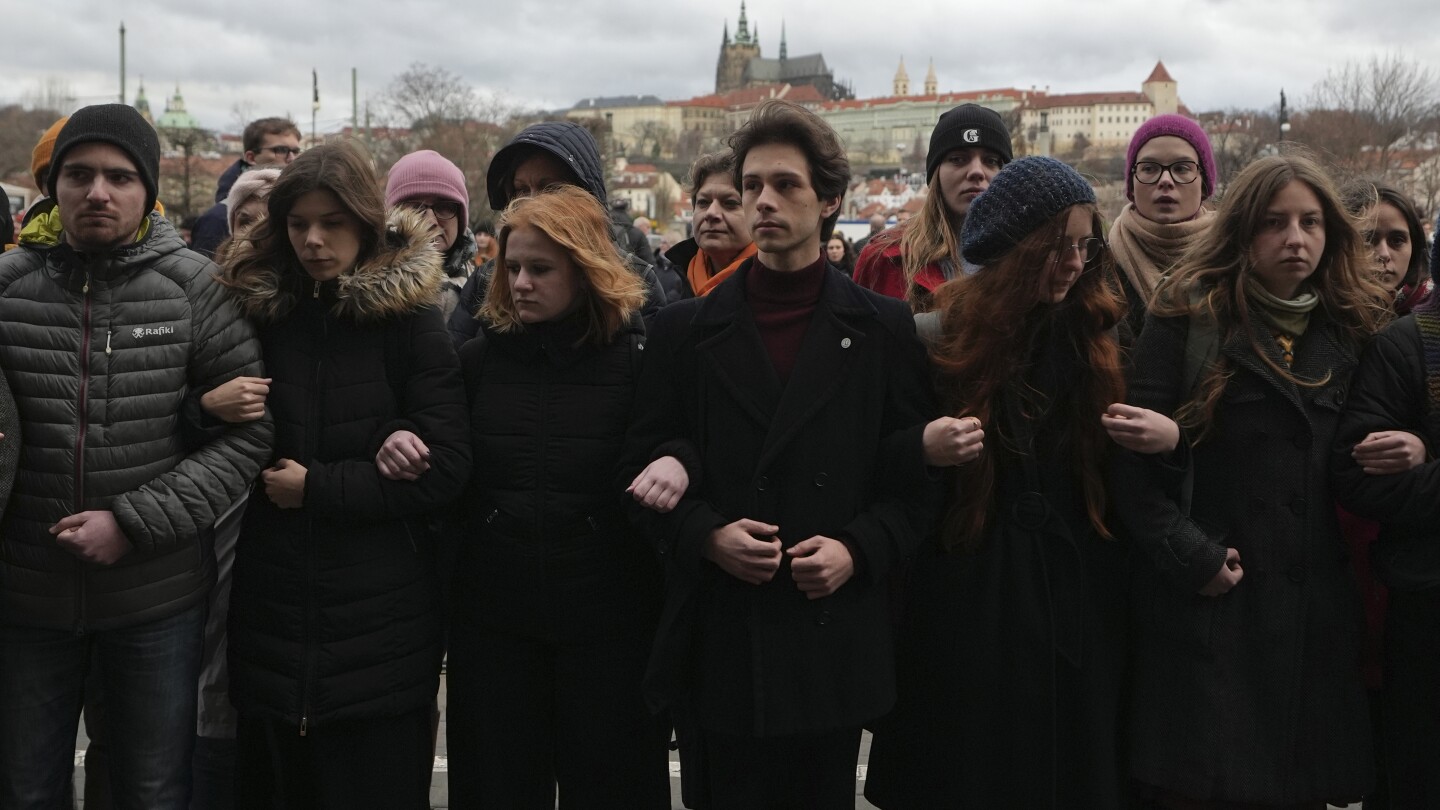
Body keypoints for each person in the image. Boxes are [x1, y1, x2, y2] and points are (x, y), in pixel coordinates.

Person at [621, 98, 939, 810]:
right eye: (752, 186)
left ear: (829, 200)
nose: (763, 201)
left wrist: (858, 549)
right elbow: (635, 475)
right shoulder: (683, 331)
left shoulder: (883, 328)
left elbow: (916, 487)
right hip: (722, 642)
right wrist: (705, 536)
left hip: (829, 642)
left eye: (785, 185)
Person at [0, 103, 274, 809]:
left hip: (157, 598)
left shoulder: (198, 288)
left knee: (152, 790)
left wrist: (132, 523)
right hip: (27, 598)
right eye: (80, 174)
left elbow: (249, 433)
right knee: (27, 789)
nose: (98, 191)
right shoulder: (8, 287)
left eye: (120, 177)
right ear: (53, 187)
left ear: (147, 191)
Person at [866, 156, 1150, 808]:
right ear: (1015, 251)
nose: (1076, 263)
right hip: (969, 595)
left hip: (1078, 591)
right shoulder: (936, 338)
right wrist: (921, 447)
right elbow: (870, 460)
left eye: (1085, 245)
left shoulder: (1102, 333)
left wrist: (1166, 443)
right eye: (1057, 247)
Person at [1114, 153, 1390, 808]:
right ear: (1242, 229)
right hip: (1215, 613)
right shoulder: (1186, 315)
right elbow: (1128, 466)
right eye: (1274, 222)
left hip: (1312, 631)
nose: (1295, 239)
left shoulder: (1353, 327)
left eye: (1309, 222)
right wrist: (1193, 557)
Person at [218, 140, 471, 808]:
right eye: (298, 224)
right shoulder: (258, 311)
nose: (313, 240)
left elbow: (446, 467)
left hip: (382, 630)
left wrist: (319, 488)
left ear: (364, 222)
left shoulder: (411, 322)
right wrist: (203, 407)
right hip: (272, 614)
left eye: (331, 223)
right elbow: (204, 435)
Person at [444, 185, 673, 808]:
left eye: (540, 269)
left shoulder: (637, 362)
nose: (520, 282)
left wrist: (682, 461)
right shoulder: (474, 364)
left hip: (610, 629)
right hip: (495, 628)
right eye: (511, 267)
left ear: (586, 269)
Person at [1332, 213, 1440, 810]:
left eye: (1397, 240)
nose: (1383, 254)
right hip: (1421, 597)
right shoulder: (1406, 344)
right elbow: (1356, 477)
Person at [447, 121, 666, 350]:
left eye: (550, 189)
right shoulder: (488, 280)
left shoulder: (636, 283)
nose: (532, 203)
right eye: (521, 191)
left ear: (586, 196)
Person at [853, 103, 1012, 311]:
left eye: (991, 161)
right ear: (935, 175)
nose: (976, 171)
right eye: (957, 159)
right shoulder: (883, 258)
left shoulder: (1030, 258)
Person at [1110, 114, 1219, 337]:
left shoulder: (1234, 259)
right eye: (1149, 168)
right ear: (1132, 183)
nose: (1165, 180)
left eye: (1181, 168)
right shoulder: (1097, 266)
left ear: (1204, 183)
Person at [385, 149, 477, 322]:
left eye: (444, 207)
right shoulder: (365, 291)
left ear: (460, 218)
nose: (430, 221)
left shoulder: (486, 287)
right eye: (414, 208)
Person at [191, 117, 302, 258]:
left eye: (296, 151)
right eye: (281, 150)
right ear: (251, 157)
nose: (292, 158)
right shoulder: (216, 219)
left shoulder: (301, 203)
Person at [661, 150, 757, 301]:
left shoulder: (777, 285)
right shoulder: (671, 286)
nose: (711, 213)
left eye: (730, 203)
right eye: (703, 203)